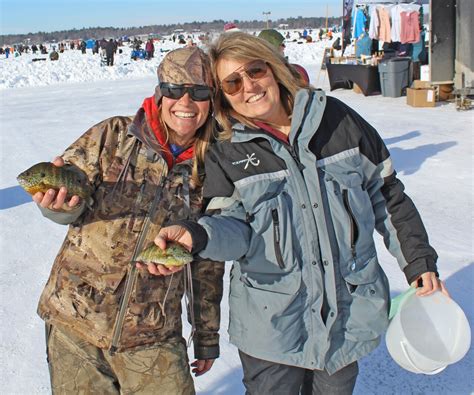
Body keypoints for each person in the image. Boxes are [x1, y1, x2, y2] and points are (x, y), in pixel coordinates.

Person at [148, 32, 449, 394]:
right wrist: (197, 235)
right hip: (272, 328)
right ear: (222, 96)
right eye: (232, 82)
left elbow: (386, 194)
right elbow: (233, 230)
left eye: (254, 71)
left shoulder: (337, 120)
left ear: (273, 68)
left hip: (345, 316)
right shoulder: (225, 150)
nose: (248, 87)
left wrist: (418, 261)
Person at [31, 47, 224, 394]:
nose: (186, 101)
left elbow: (208, 259)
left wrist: (206, 334)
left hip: (153, 332)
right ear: (159, 92)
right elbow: (70, 194)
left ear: (212, 100)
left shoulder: (214, 165)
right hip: (76, 320)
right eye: (174, 89)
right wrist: (57, 206)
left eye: (199, 92)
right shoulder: (113, 136)